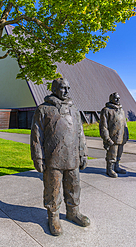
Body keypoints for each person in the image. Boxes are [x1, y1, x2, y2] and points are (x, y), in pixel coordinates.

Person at [30, 78, 90, 236]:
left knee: (74, 186)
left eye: (68, 88)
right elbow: (36, 136)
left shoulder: (74, 109)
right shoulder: (43, 109)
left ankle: (73, 212)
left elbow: (80, 133)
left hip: (72, 158)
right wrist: (38, 158)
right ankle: (53, 216)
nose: (66, 91)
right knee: (53, 190)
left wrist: (83, 153)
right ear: (54, 89)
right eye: (63, 88)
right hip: (53, 159)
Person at [99, 92, 129, 178]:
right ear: (111, 99)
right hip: (112, 138)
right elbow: (103, 126)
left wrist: (126, 134)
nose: (118, 100)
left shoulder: (121, 110)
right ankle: (110, 168)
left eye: (119, 98)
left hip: (121, 136)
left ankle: (117, 166)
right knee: (112, 155)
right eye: (116, 98)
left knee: (119, 154)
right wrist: (107, 138)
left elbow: (124, 123)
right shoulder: (106, 110)